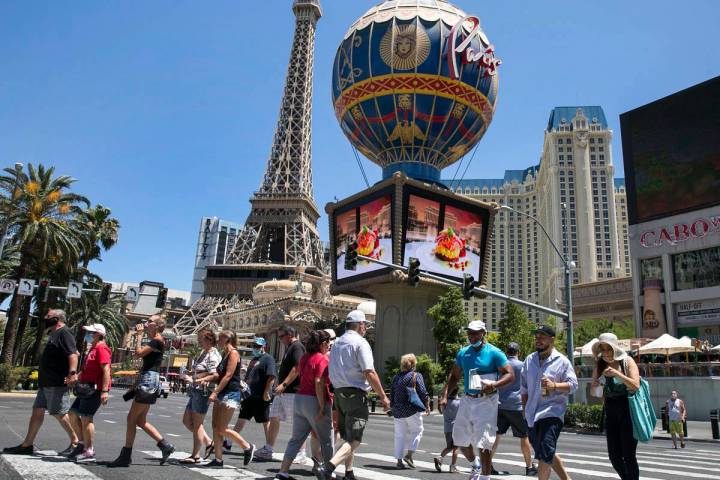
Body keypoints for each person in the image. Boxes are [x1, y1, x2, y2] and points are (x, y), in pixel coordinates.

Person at [315, 310, 390, 480]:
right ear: (360, 325)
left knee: (347, 436)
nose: (365, 328)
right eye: (365, 325)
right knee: (354, 439)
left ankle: (349, 472)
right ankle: (327, 467)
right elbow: (369, 372)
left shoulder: (338, 343)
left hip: (339, 394)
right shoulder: (360, 343)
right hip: (355, 394)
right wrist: (384, 397)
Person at [439, 320, 514, 480]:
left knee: (484, 443)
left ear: (483, 333)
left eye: (475, 333)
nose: (472, 336)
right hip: (467, 399)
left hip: (487, 401)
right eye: (469, 333)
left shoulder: (495, 353)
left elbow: (510, 374)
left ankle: (485, 478)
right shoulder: (463, 353)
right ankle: (475, 465)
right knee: (458, 439)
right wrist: (445, 395)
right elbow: (454, 376)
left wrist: (494, 385)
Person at [3, 310, 80, 456]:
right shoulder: (54, 334)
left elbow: (73, 354)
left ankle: (76, 442)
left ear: (57, 319)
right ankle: (27, 445)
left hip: (56, 382)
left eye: (48, 317)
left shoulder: (64, 332)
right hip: (46, 383)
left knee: (60, 413)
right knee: (37, 412)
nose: (45, 319)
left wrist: (72, 373)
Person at [108, 316, 175, 467]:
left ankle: (126, 455)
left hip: (149, 379)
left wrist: (138, 337)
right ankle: (165, 446)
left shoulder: (157, 340)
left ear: (157, 326)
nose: (146, 322)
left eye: (150, 321)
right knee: (140, 420)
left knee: (131, 418)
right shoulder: (156, 340)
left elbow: (138, 353)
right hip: (150, 378)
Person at [521, 325, 578, 480]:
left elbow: (573, 385)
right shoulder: (529, 360)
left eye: (542, 336)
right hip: (532, 414)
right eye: (536, 336)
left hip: (552, 412)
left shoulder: (562, 361)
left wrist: (554, 386)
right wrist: (524, 409)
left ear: (552, 340)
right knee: (546, 451)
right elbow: (524, 388)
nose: (538, 339)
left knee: (545, 452)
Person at [276, 330, 334, 480]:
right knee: (326, 439)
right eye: (327, 343)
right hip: (314, 400)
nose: (329, 345)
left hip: (300, 398)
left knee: (296, 438)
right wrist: (322, 407)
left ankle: (283, 471)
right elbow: (319, 382)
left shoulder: (304, 358)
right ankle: (328, 471)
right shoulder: (322, 359)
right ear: (322, 344)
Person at [591, 332, 641, 480]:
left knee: (628, 455)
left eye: (608, 349)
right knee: (614, 457)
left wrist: (617, 374)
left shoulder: (627, 361)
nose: (605, 353)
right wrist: (595, 386)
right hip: (610, 411)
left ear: (615, 349)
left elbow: (636, 385)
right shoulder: (599, 365)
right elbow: (595, 393)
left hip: (628, 410)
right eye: (603, 349)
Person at [205, 330, 255, 468]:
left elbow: (228, 376)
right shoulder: (224, 353)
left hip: (230, 394)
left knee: (222, 428)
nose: (218, 340)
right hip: (222, 393)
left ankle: (247, 447)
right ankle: (218, 459)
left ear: (227, 339)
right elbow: (219, 375)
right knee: (215, 427)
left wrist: (215, 392)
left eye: (220, 338)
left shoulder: (233, 353)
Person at [66, 324, 112, 463]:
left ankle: (89, 451)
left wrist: (104, 391)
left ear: (98, 334)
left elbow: (106, 370)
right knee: (72, 414)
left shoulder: (102, 348)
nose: (88, 335)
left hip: (95, 389)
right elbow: (86, 370)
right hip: (86, 388)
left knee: (86, 418)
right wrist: (75, 378)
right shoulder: (93, 348)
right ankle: (81, 444)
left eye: (91, 332)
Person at [491, 342, 537, 476]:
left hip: (500, 404)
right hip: (517, 405)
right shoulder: (523, 365)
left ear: (507, 352)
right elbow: (528, 385)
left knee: (496, 436)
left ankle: (488, 464)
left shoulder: (501, 366)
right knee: (524, 436)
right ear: (518, 352)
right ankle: (529, 467)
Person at [267, 326, 309, 463]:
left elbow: (297, 367)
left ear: (289, 334)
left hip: (292, 391)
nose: (280, 340)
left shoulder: (297, 347)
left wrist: (284, 384)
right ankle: (268, 448)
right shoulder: (290, 347)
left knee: (297, 423)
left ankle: (302, 453)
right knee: (274, 417)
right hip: (283, 392)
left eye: (281, 336)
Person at [230, 337, 276, 459]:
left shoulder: (268, 359)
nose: (256, 348)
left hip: (260, 396)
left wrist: (267, 392)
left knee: (265, 421)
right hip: (249, 395)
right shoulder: (254, 359)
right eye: (254, 346)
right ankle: (228, 443)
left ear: (264, 347)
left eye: (258, 346)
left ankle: (269, 447)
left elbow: (271, 376)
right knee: (242, 417)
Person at [180, 329, 221, 464]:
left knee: (198, 424)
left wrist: (195, 379)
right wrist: (191, 372)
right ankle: (209, 442)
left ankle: (195, 455)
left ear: (209, 340)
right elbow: (201, 370)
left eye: (200, 339)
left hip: (203, 391)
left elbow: (214, 375)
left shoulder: (213, 355)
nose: (198, 342)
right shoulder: (204, 352)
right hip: (196, 390)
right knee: (187, 421)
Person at [390, 353, 429, 469]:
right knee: (418, 430)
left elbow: (392, 393)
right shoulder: (416, 375)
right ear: (413, 364)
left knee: (399, 435)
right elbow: (422, 391)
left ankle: (399, 461)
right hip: (411, 409)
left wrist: (392, 406)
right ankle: (409, 454)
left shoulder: (396, 377)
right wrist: (427, 405)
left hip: (397, 410)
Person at [434, 386, 460, 473]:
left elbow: (440, 411)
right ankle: (453, 466)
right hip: (456, 427)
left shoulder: (444, 403)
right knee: (456, 447)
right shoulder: (458, 403)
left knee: (449, 446)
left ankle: (440, 458)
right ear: (456, 393)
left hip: (447, 427)